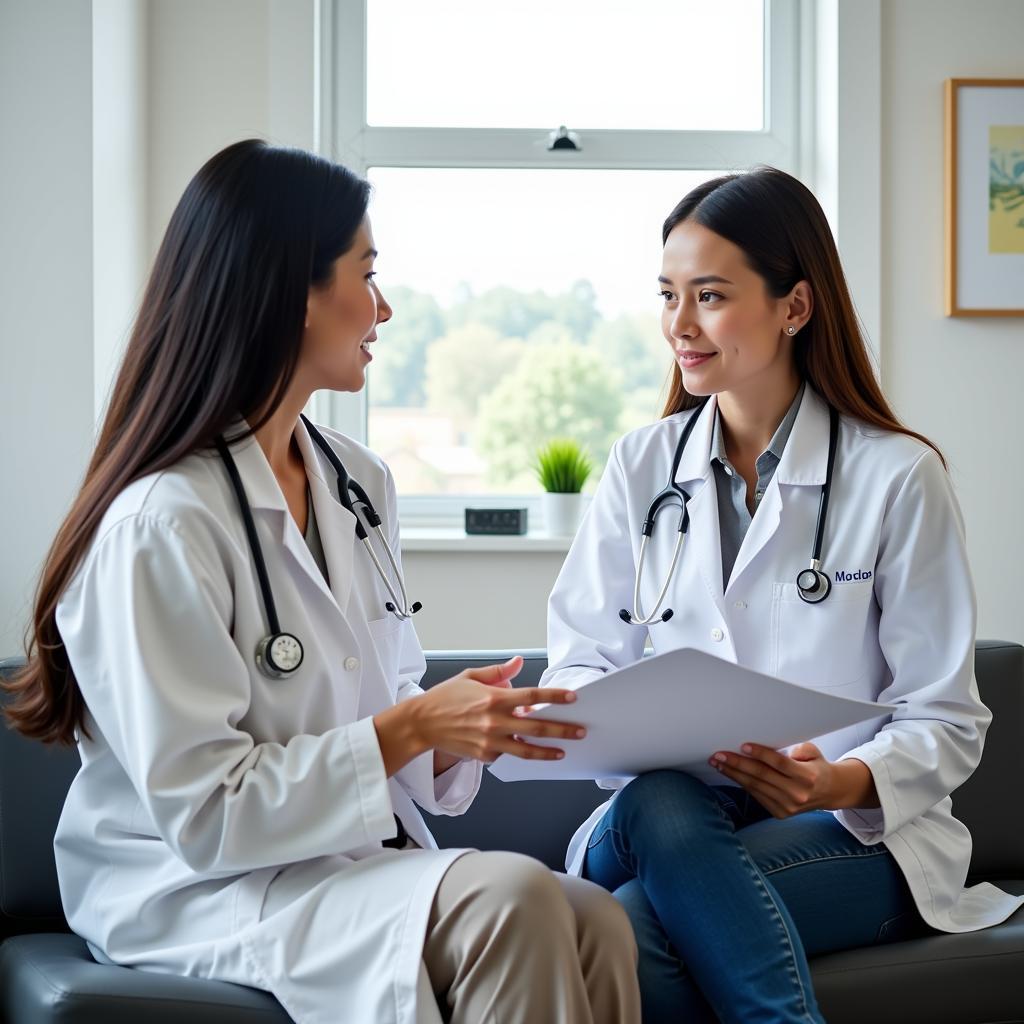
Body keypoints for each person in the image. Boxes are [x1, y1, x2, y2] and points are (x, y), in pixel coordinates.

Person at [2, 140, 641, 1024]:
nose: (384, 307)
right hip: (192, 881)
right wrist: (412, 723)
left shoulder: (356, 482)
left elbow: (378, 691)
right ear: (289, 292)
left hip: (338, 858)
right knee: (514, 902)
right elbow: (207, 814)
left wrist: (466, 729)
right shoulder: (160, 524)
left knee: (595, 916)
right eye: (367, 273)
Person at [540, 166, 1024, 1023]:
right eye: (668, 296)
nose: (679, 327)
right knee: (659, 799)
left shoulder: (896, 476)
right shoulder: (640, 467)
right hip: (661, 814)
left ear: (794, 307)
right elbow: (579, 663)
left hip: (849, 831)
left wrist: (838, 780)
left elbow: (946, 719)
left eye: (711, 297)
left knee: (638, 930)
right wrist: (609, 715)